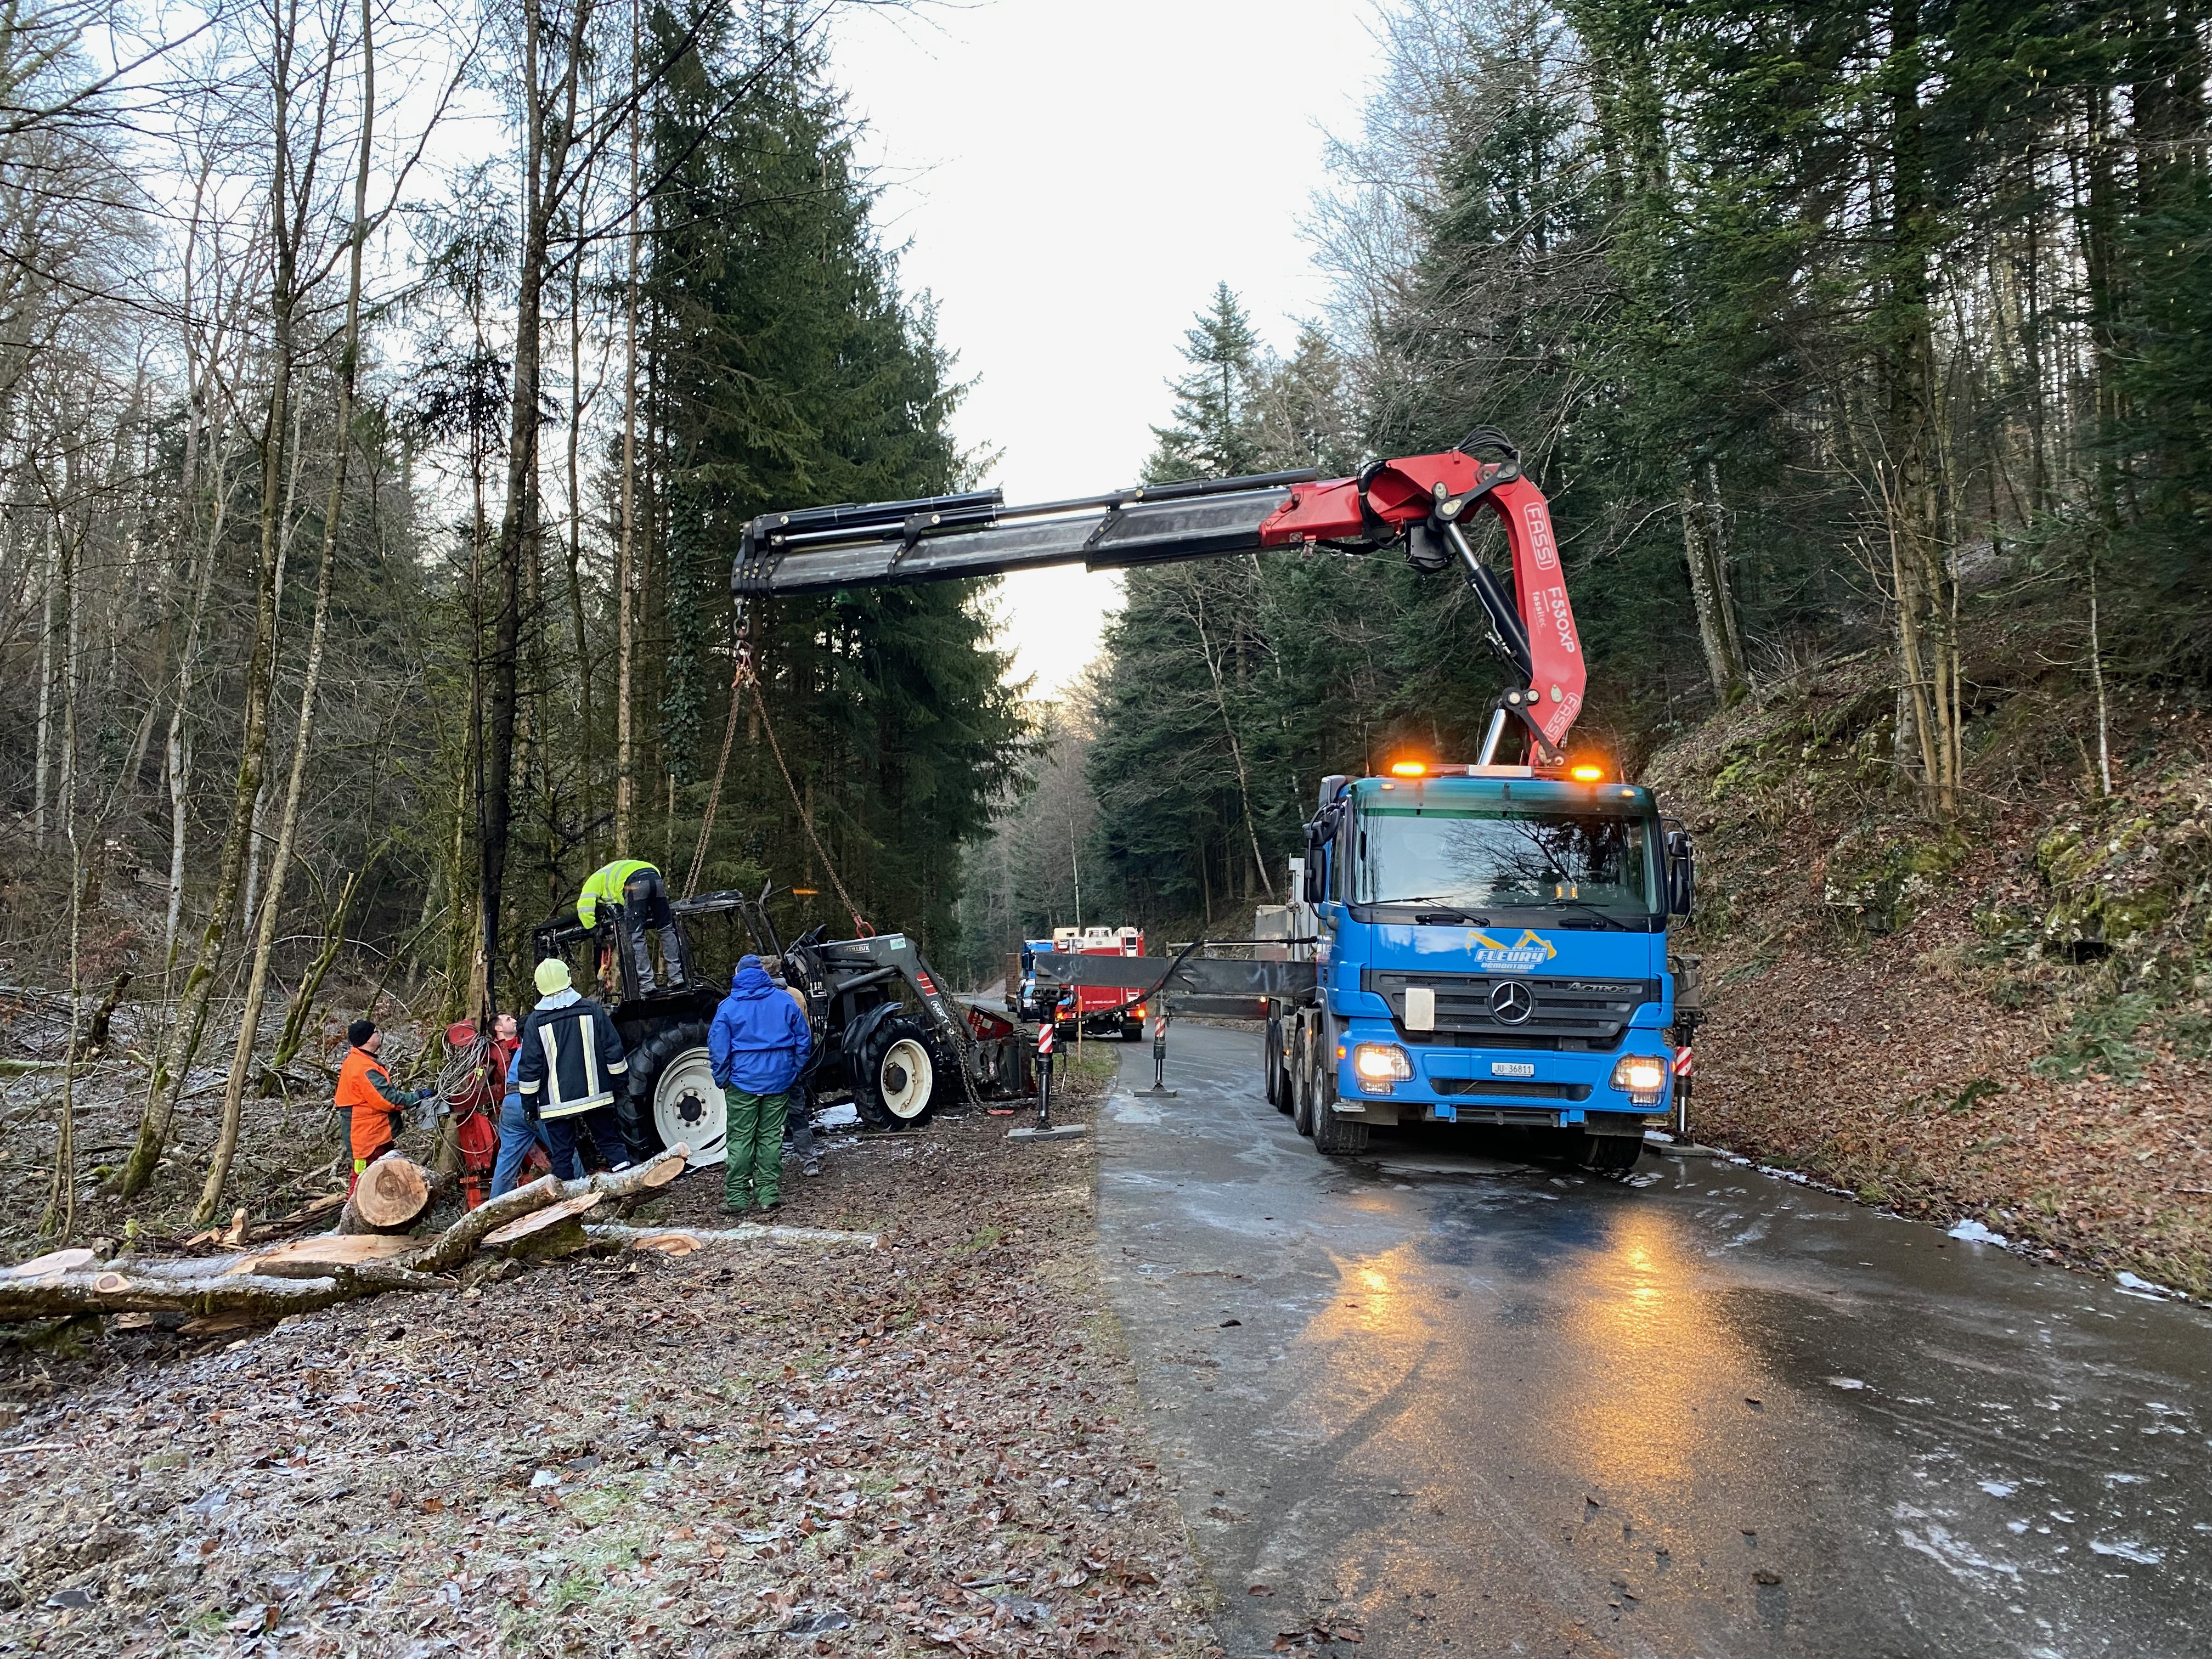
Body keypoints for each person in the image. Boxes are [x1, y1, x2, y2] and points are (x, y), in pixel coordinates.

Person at [709, 954, 812, 1215]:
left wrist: (723, 1079)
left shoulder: (728, 1007)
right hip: (779, 1081)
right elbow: (804, 1039)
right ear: (763, 973)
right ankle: (767, 1195)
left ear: (737, 974)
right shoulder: (785, 1001)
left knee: (741, 1139)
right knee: (770, 1137)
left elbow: (718, 1049)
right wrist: (793, 1069)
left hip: (742, 1083)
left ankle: (737, 1199)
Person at [514, 958, 633, 1178]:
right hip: (597, 1096)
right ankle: (628, 1186)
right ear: (569, 978)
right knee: (611, 1144)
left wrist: (529, 1106)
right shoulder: (593, 1010)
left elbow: (530, 1069)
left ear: (539, 987)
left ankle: (568, 1207)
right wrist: (619, 1084)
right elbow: (613, 1051)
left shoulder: (534, 1022)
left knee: (562, 1157)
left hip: (555, 1106)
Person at [572, 859, 689, 995]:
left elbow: (584, 908)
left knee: (636, 936)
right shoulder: (612, 874)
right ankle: (677, 977)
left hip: (635, 883)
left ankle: (646, 983)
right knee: (666, 929)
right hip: (655, 877)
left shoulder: (592, 882)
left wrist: (593, 929)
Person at [335, 1020, 425, 1183]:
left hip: (372, 1137)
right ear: (368, 1039)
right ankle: (356, 1209)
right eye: (375, 1032)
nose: (379, 1035)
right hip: (368, 1142)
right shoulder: (364, 1067)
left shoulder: (358, 1061)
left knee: (378, 1182)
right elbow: (388, 1100)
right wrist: (417, 1097)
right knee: (363, 1184)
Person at [488, 1012, 554, 1198]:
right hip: (531, 1102)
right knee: (564, 1147)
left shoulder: (520, 1049)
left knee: (506, 1163)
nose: (513, 1021)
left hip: (509, 1106)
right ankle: (582, 1192)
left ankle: (493, 1207)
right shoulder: (539, 1044)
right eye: (508, 1019)